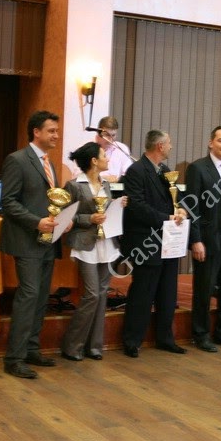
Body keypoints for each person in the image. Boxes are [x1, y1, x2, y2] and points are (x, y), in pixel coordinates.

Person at [0, 111, 64, 379]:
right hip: (27, 240)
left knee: (40, 297)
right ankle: (14, 358)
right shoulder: (17, 160)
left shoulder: (49, 163)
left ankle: (31, 349)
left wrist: (63, 220)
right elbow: (8, 202)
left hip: (47, 241)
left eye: (57, 130)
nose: (56, 135)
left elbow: (49, 201)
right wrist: (37, 222)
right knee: (28, 296)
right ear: (36, 132)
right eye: (51, 131)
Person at [120, 130, 189, 357]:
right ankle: (132, 340)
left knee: (168, 293)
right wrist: (166, 218)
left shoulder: (166, 171)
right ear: (160, 146)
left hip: (168, 240)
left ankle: (165, 338)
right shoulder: (136, 170)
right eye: (169, 143)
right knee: (143, 292)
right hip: (145, 240)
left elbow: (175, 199)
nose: (171, 146)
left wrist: (180, 210)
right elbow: (136, 206)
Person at [182, 126, 221, 352]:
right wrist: (195, 239)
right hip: (209, 237)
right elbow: (191, 206)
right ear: (211, 143)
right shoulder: (198, 168)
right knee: (205, 288)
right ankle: (201, 334)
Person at [61, 142, 126, 360]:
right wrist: (90, 218)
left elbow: (106, 211)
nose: (108, 159)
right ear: (94, 161)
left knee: (102, 293)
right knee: (91, 294)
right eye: (104, 156)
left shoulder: (106, 184)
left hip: (106, 242)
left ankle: (94, 346)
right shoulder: (73, 185)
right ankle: (72, 346)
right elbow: (67, 216)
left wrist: (117, 205)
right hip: (85, 244)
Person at [93, 115, 133, 182]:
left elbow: (129, 175)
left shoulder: (122, 148)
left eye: (113, 135)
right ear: (98, 134)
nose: (111, 139)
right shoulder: (87, 149)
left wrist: (117, 180)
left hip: (116, 186)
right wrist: (103, 179)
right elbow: (78, 176)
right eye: (107, 135)